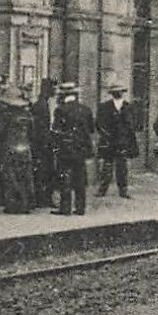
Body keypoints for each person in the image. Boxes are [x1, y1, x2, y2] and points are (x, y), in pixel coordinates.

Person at [52, 82, 95, 215]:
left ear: (62, 95)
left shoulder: (60, 110)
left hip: (66, 148)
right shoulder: (86, 109)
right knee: (80, 177)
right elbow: (91, 129)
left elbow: (56, 129)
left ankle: (65, 208)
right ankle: (80, 208)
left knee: (64, 177)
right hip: (81, 148)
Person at [0, 85, 36, 214]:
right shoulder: (28, 115)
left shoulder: (6, 115)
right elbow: (32, 132)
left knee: (11, 176)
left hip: (10, 147)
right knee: (25, 176)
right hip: (25, 147)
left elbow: (0, 132)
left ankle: (13, 205)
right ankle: (26, 204)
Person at [96, 83, 139, 198]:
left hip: (123, 142)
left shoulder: (129, 107)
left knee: (122, 167)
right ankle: (102, 189)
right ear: (112, 93)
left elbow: (133, 124)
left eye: (120, 91)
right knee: (107, 166)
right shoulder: (104, 107)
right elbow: (99, 124)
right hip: (109, 141)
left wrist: (128, 138)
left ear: (122, 92)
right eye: (115, 91)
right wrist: (105, 135)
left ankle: (123, 190)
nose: (118, 93)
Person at [30, 77, 58, 207]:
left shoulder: (44, 103)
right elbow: (39, 128)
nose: (55, 90)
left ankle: (43, 198)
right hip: (42, 145)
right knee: (44, 172)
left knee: (45, 172)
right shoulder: (41, 105)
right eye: (53, 88)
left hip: (44, 143)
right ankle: (43, 199)